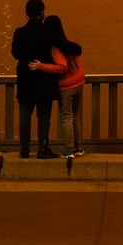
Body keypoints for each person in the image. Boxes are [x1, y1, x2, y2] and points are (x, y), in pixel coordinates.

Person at [29, 15, 85, 160]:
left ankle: (70, 149)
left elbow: (62, 67)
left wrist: (41, 66)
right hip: (79, 83)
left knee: (66, 117)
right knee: (75, 117)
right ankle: (79, 148)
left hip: (67, 86)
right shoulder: (69, 44)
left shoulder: (56, 47)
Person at [10, 0, 59, 158]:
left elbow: (16, 53)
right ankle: (42, 148)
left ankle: (24, 149)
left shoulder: (20, 32)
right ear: (42, 13)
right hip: (44, 79)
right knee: (44, 116)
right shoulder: (48, 32)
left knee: (25, 115)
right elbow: (53, 53)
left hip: (25, 79)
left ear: (26, 14)